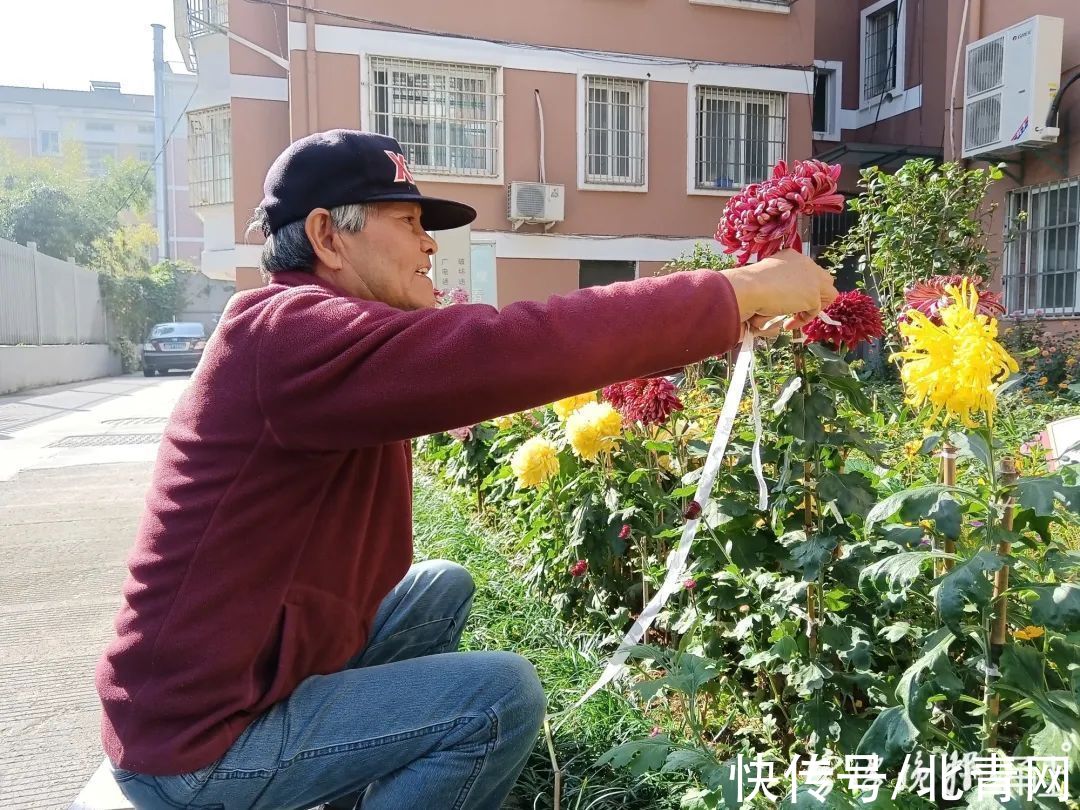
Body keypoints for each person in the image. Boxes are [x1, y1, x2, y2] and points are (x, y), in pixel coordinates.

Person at [96, 129, 837, 810]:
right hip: (195, 749)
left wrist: (726, 318)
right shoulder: (288, 334)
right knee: (499, 696)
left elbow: (497, 361)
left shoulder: (320, 337)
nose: (429, 248)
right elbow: (506, 350)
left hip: (239, 677)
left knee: (435, 586)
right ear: (328, 235)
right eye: (409, 224)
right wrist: (735, 288)